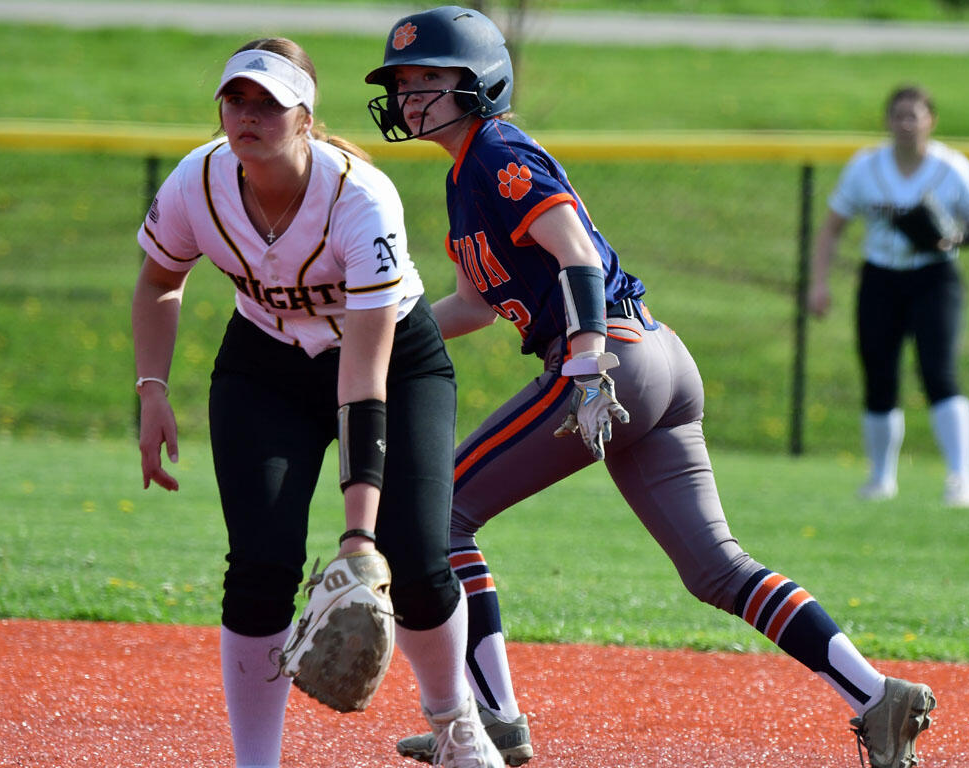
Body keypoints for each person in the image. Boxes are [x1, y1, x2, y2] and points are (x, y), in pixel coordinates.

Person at [363, 8, 936, 768]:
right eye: (403, 82)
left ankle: (494, 722)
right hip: (656, 357)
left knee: (439, 520)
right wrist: (382, 334)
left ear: (481, 83)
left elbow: (573, 250)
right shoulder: (464, 174)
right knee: (716, 569)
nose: (411, 96)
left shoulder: (498, 151)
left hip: (611, 362)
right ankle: (876, 696)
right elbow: (474, 301)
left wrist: (589, 357)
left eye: (430, 79)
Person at [131, 37, 504, 768]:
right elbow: (158, 281)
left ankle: (454, 723)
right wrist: (152, 390)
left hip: (394, 363)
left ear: (306, 116)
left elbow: (362, 377)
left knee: (419, 563)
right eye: (236, 99)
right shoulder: (196, 182)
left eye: (269, 102)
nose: (249, 114)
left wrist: (358, 539)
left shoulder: (360, 196)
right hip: (264, 366)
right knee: (261, 569)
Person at [809, 84, 969, 509]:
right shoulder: (865, 167)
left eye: (915, 115)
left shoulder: (951, 168)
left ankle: (962, 480)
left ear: (931, 120)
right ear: (887, 121)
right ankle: (879, 479)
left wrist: (956, 237)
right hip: (880, 278)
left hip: (935, 279)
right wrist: (819, 284)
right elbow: (831, 229)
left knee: (939, 372)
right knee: (879, 378)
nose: (906, 123)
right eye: (898, 115)